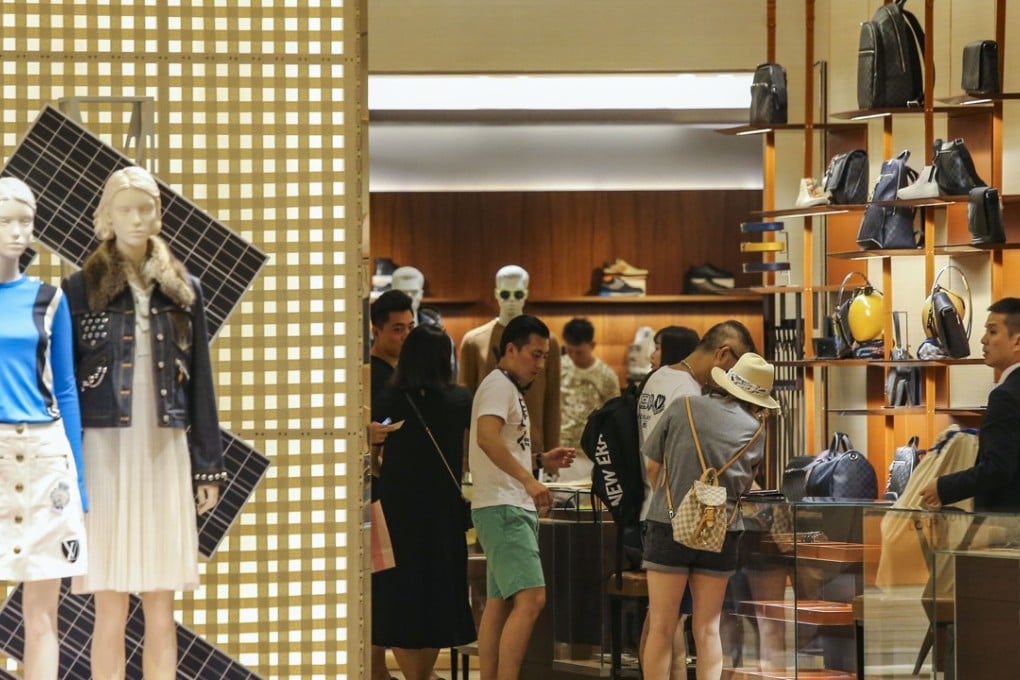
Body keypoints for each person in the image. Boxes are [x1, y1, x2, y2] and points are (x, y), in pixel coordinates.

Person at [63, 166, 226, 680]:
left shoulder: (183, 291)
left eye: (147, 207)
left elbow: (200, 384)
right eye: (126, 208)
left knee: (161, 603)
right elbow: (64, 385)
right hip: (103, 451)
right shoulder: (78, 289)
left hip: (163, 451)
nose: (138, 218)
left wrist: (208, 466)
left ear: (159, 214)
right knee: (108, 603)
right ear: (106, 217)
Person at [641, 353, 777, 680]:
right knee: (708, 629)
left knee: (661, 625)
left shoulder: (683, 406)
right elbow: (743, 486)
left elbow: (652, 467)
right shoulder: (755, 431)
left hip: (668, 522)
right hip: (721, 529)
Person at [0, 177, 88, 680]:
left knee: (42, 611)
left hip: (43, 454)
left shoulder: (49, 300)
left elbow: (68, 388)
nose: (17, 231)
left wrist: (79, 482)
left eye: (25, 221)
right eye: (6, 220)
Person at [469, 314, 576, 680]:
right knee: (532, 599)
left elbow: (498, 444)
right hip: (505, 506)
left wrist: (538, 461)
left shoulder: (505, 387)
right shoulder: (499, 386)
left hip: (502, 504)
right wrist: (529, 480)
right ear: (510, 349)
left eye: (545, 356)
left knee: (499, 603)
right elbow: (486, 438)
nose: (541, 365)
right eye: (535, 355)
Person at [372, 325, 477, 680]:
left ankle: (411, 675)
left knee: (400, 594)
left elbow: (374, 453)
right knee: (440, 592)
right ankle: (424, 675)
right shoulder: (461, 400)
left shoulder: (388, 400)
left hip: (397, 511)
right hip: (443, 510)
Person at [920, 297, 1020, 512]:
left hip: (1007, 528)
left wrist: (943, 486)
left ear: (1017, 342)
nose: (984, 340)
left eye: (993, 332)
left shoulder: (1006, 396)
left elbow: (998, 469)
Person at [460, 265, 561, 458]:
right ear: (497, 295)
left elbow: (552, 399)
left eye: (518, 294)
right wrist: (465, 456)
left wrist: (551, 450)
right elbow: (466, 403)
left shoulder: (548, 342)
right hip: (488, 446)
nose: (512, 301)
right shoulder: (474, 341)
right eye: (506, 294)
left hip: (533, 447)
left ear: (526, 294)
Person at [366, 289, 415, 680]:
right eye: (397, 328)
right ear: (376, 329)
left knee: (391, 582)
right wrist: (364, 434)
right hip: (373, 489)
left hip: (401, 488)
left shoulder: (407, 376)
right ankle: (376, 667)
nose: (404, 336)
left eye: (409, 328)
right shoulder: (367, 373)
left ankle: (386, 666)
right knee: (379, 580)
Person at [557, 317, 620, 483]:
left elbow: (614, 418)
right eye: (569, 351)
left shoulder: (606, 376)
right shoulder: (558, 368)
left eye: (579, 352)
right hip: (558, 449)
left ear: (592, 345)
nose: (573, 356)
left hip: (588, 452)